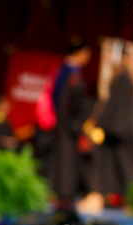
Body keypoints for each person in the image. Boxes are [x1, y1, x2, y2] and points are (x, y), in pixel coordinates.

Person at [95, 51, 133, 201]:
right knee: (123, 168)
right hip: (123, 129)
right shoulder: (125, 77)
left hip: (121, 129)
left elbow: (116, 105)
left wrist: (103, 123)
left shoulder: (123, 79)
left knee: (129, 170)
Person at [43, 41, 93, 206]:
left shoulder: (66, 70)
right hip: (65, 127)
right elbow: (64, 103)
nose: (88, 57)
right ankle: (62, 195)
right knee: (63, 160)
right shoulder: (68, 72)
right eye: (86, 53)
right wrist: (76, 125)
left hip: (65, 125)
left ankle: (62, 194)